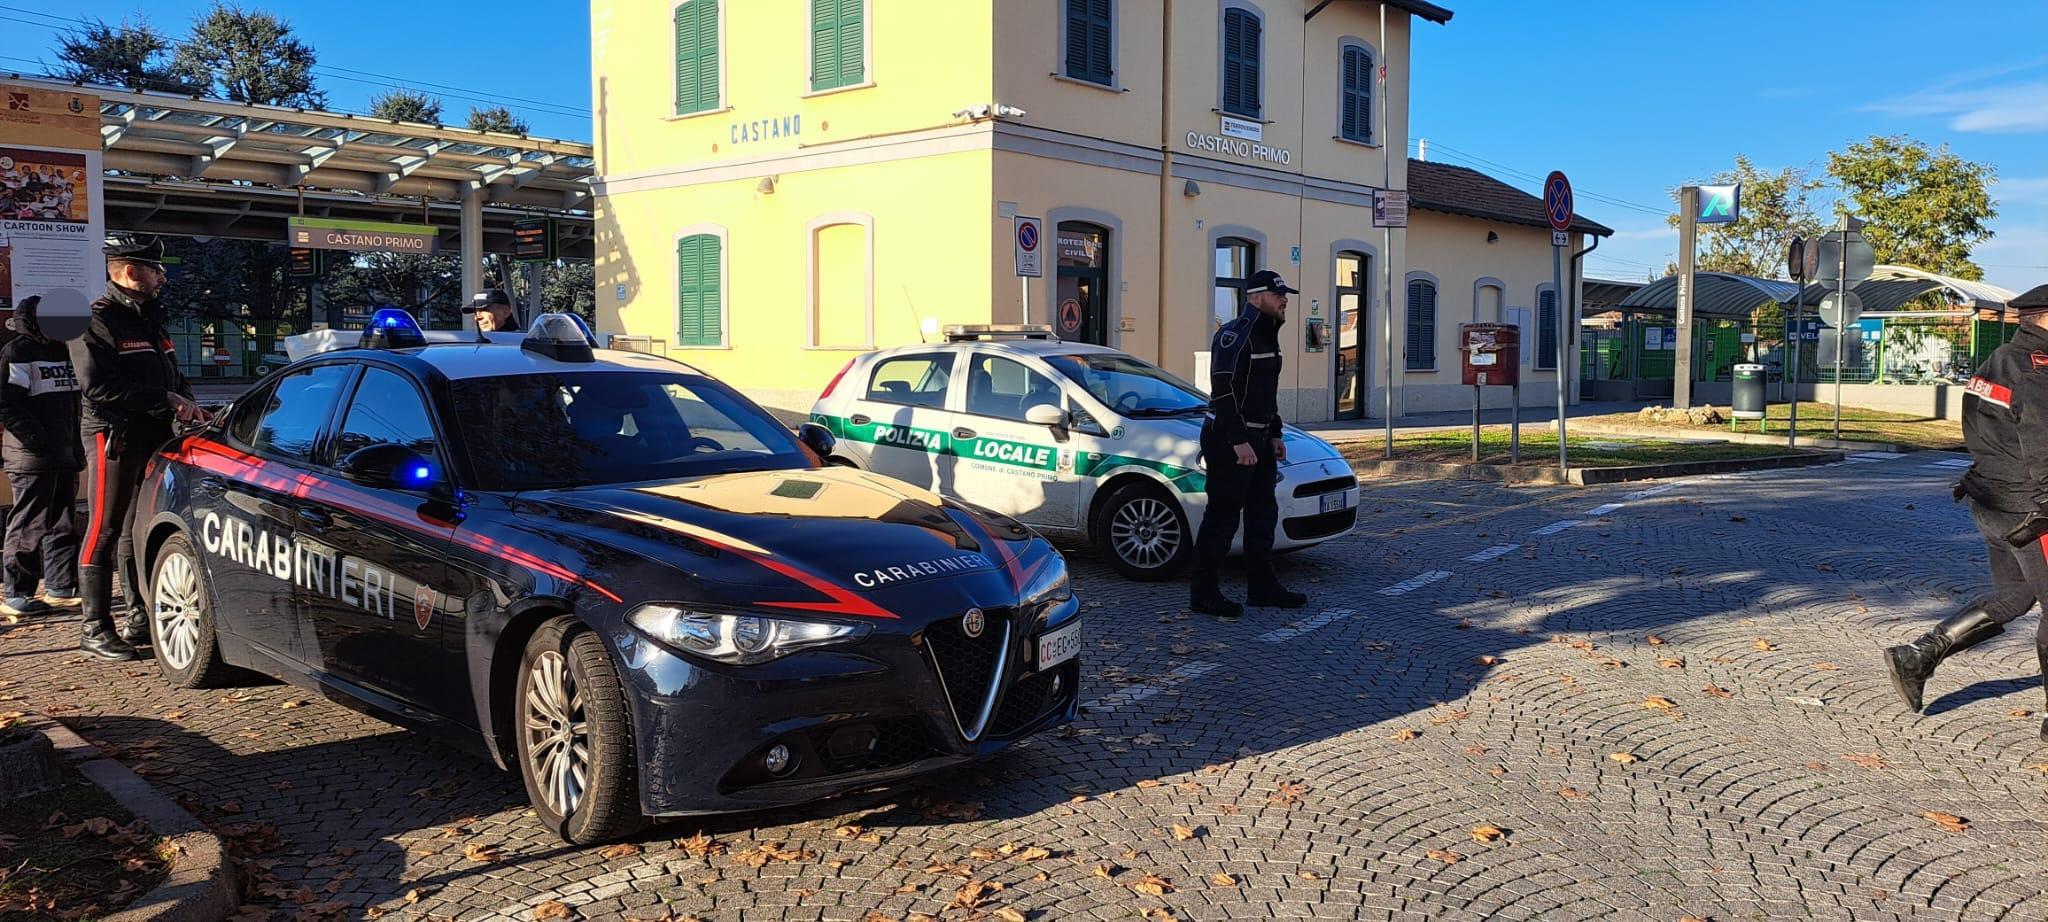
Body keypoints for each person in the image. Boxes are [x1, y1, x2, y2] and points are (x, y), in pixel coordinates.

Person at [1886, 282, 2048, 741]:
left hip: (1991, 503)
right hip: (2031, 512)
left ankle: (1918, 656)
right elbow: (2043, 449)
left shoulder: (1997, 362)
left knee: (2016, 597)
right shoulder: (2039, 371)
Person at [71, 235, 209, 661]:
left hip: (152, 434)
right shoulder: (94, 319)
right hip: (112, 436)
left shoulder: (148, 318)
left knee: (136, 529)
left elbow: (168, 372)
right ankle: (94, 628)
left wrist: (188, 401)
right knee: (104, 527)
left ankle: (137, 618)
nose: (162, 277)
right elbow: (97, 387)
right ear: (131, 272)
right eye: (155, 269)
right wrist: (166, 401)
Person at [1189, 269, 1309, 618]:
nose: (1285, 300)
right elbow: (1223, 391)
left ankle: (1262, 587)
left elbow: (1265, 394)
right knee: (1222, 517)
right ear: (1256, 298)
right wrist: (1239, 441)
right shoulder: (1234, 336)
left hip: (1258, 436)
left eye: (1284, 295)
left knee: (1262, 514)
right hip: (1228, 438)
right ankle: (1204, 593)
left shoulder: (1268, 334)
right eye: (1278, 295)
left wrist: (1274, 433)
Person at [0, 295, 81, 617]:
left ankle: (61, 586)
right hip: (32, 457)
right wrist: (38, 441)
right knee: (28, 524)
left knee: (63, 521)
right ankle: (17, 592)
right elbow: (7, 403)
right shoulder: (18, 352)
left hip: (65, 453)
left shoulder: (67, 350)